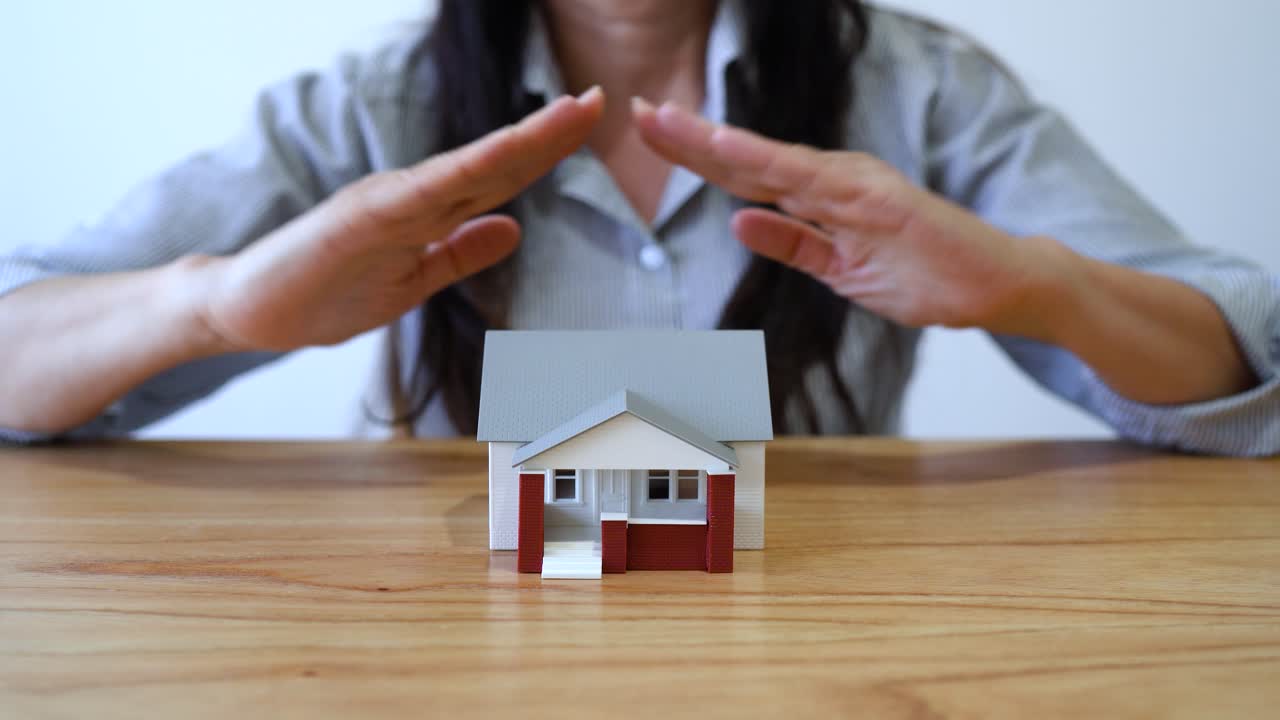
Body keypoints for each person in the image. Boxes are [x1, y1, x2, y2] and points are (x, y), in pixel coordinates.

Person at [0, 0, 1276, 456]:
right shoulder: (367, 107)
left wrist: (1039, 290)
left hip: (817, 648)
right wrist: (210, 305)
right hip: (441, 656)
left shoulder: (922, 89)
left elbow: (1247, 371)